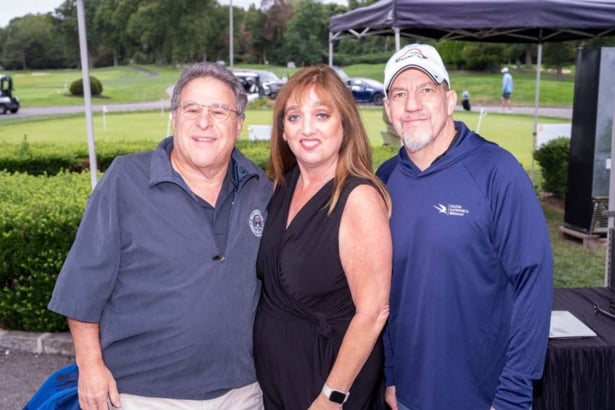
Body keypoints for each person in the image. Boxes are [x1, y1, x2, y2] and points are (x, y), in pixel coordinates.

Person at [48, 62, 272, 410]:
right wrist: (90, 367)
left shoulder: (262, 189)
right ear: (174, 117)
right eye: (192, 109)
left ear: (239, 124)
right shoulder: (125, 180)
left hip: (242, 393)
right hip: (142, 396)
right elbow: (82, 287)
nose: (204, 122)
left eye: (219, 111)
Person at [377, 44, 553, 410]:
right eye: (399, 93)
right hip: (406, 396)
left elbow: (533, 286)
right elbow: (384, 290)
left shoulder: (497, 172)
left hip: (483, 398)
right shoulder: (385, 180)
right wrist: (392, 375)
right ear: (387, 108)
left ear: (450, 98)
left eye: (426, 89)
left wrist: (512, 396)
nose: (412, 105)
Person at [253, 64, 392, 409]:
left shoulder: (359, 199)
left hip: (329, 387)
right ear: (282, 131)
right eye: (295, 117)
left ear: (344, 125)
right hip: (276, 384)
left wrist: (332, 395)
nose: (307, 129)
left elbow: (373, 312)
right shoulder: (280, 188)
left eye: (322, 114)